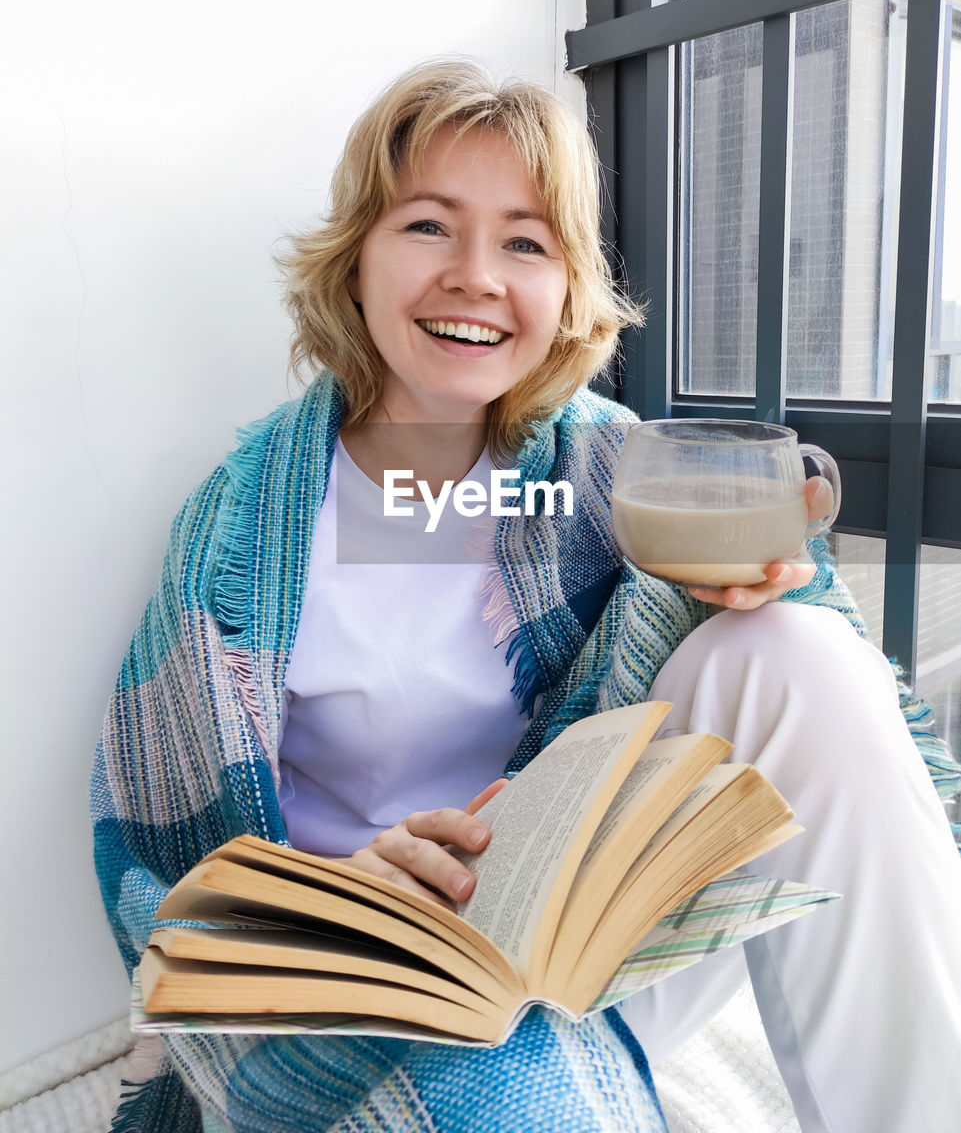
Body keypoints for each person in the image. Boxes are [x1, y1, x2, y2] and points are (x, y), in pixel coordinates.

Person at [91, 60, 961, 1133]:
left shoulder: (615, 466)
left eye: (524, 241)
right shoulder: (242, 526)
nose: (475, 275)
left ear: (564, 290)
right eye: (426, 226)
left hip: (594, 934)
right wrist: (349, 898)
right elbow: (167, 857)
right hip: (360, 972)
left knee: (794, 649)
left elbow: (822, 671)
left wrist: (757, 582)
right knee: (497, 1095)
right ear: (356, 256)